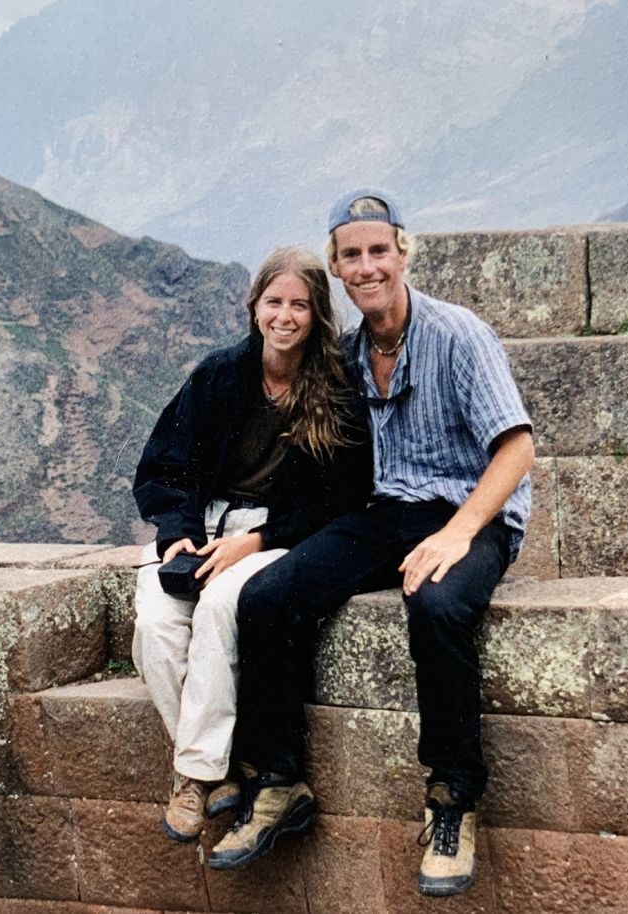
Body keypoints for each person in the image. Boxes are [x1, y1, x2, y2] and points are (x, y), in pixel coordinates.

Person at [210, 190, 533, 897]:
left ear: (402, 253)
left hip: (469, 512)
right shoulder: (349, 355)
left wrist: (457, 532)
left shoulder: (458, 334)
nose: (366, 266)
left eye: (378, 251)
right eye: (351, 256)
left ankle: (453, 799)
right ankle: (279, 782)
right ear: (337, 266)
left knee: (440, 606)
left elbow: (516, 448)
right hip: (387, 513)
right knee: (267, 599)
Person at [131, 247, 371, 845]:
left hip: (276, 532)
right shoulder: (219, 376)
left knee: (219, 610)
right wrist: (176, 531)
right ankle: (228, 771)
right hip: (204, 526)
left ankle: (192, 777)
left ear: (317, 314)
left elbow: (335, 501)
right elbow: (168, 462)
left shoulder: (334, 390)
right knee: (156, 625)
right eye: (274, 302)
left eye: (299, 305)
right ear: (254, 307)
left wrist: (255, 541)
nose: (285, 316)